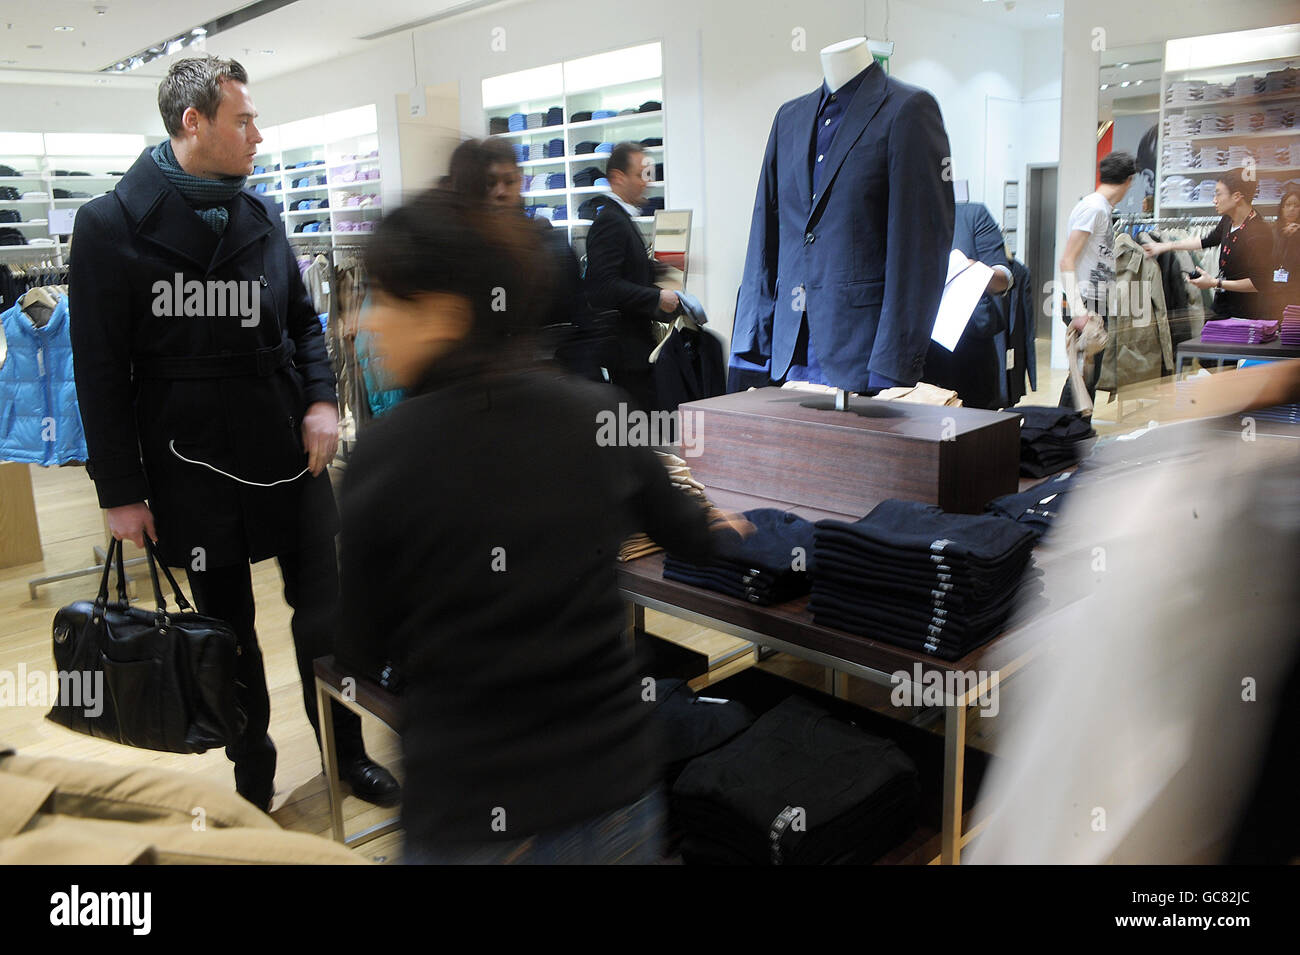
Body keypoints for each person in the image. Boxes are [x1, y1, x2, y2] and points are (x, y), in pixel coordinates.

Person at [336, 188, 751, 864]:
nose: (361, 323)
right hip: (614, 791)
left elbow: (357, 647)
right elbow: (688, 531)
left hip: (473, 809)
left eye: (381, 299)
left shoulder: (387, 455)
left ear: (443, 315)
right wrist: (732, 525)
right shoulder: (596, 410)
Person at [68, 55, 398, 811]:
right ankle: (253, 777)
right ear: (195, 123)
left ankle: (345, 753)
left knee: (326, 615)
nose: (259, 133)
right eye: (243, 119)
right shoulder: (110, 223)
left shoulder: (260, 210)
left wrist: (322, 398)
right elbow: (96, 368)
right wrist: (120, 491)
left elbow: (301, 322)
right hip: (192, 464)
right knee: (228, 630)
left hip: (291, 450)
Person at [584, 141, 677, 409]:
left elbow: (625, 270)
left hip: (633, 347)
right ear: (617, 178)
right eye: (641, 175)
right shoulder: (611, 222)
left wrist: (663, 270)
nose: (646, 182)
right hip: (624, 351)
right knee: (636, 431)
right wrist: (656, 298)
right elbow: (602, 286)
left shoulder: (621, 219)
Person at [1057, 150, 1137, 409]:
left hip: (1096, 301)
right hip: (1085, 301)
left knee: (1087, 376)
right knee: (1082, 377)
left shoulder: (1100, 208)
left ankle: (1075, 436)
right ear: (1129, 180)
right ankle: (1063, 438)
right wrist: (1079, 311)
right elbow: (1067, 260)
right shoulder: (1093, 208)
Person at [1143, 168, 1275, 322]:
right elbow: (1206, 241)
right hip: (1223, 305)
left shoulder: (1258, 232)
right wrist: (1166, 246)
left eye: (1218, 194)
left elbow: (1257, 283)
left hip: (1248, 314)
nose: (1214, 200)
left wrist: (1214, 283)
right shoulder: (1228, 220)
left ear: (1237, 196)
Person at [921, 200, 1014, 409]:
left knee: (973, 428)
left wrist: (975, 269)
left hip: (968, 350)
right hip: (916, 348)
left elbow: (1005, 278)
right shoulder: (901, 216)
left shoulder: (972, 215)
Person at [1271, 185, 1300, 311]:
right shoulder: (1272, 231)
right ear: (1281, 208)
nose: (1291, 209)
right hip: (1274, 290)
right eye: (1287, 205)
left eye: (1296, 206)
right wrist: (1283, 237)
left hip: (1296, 290)